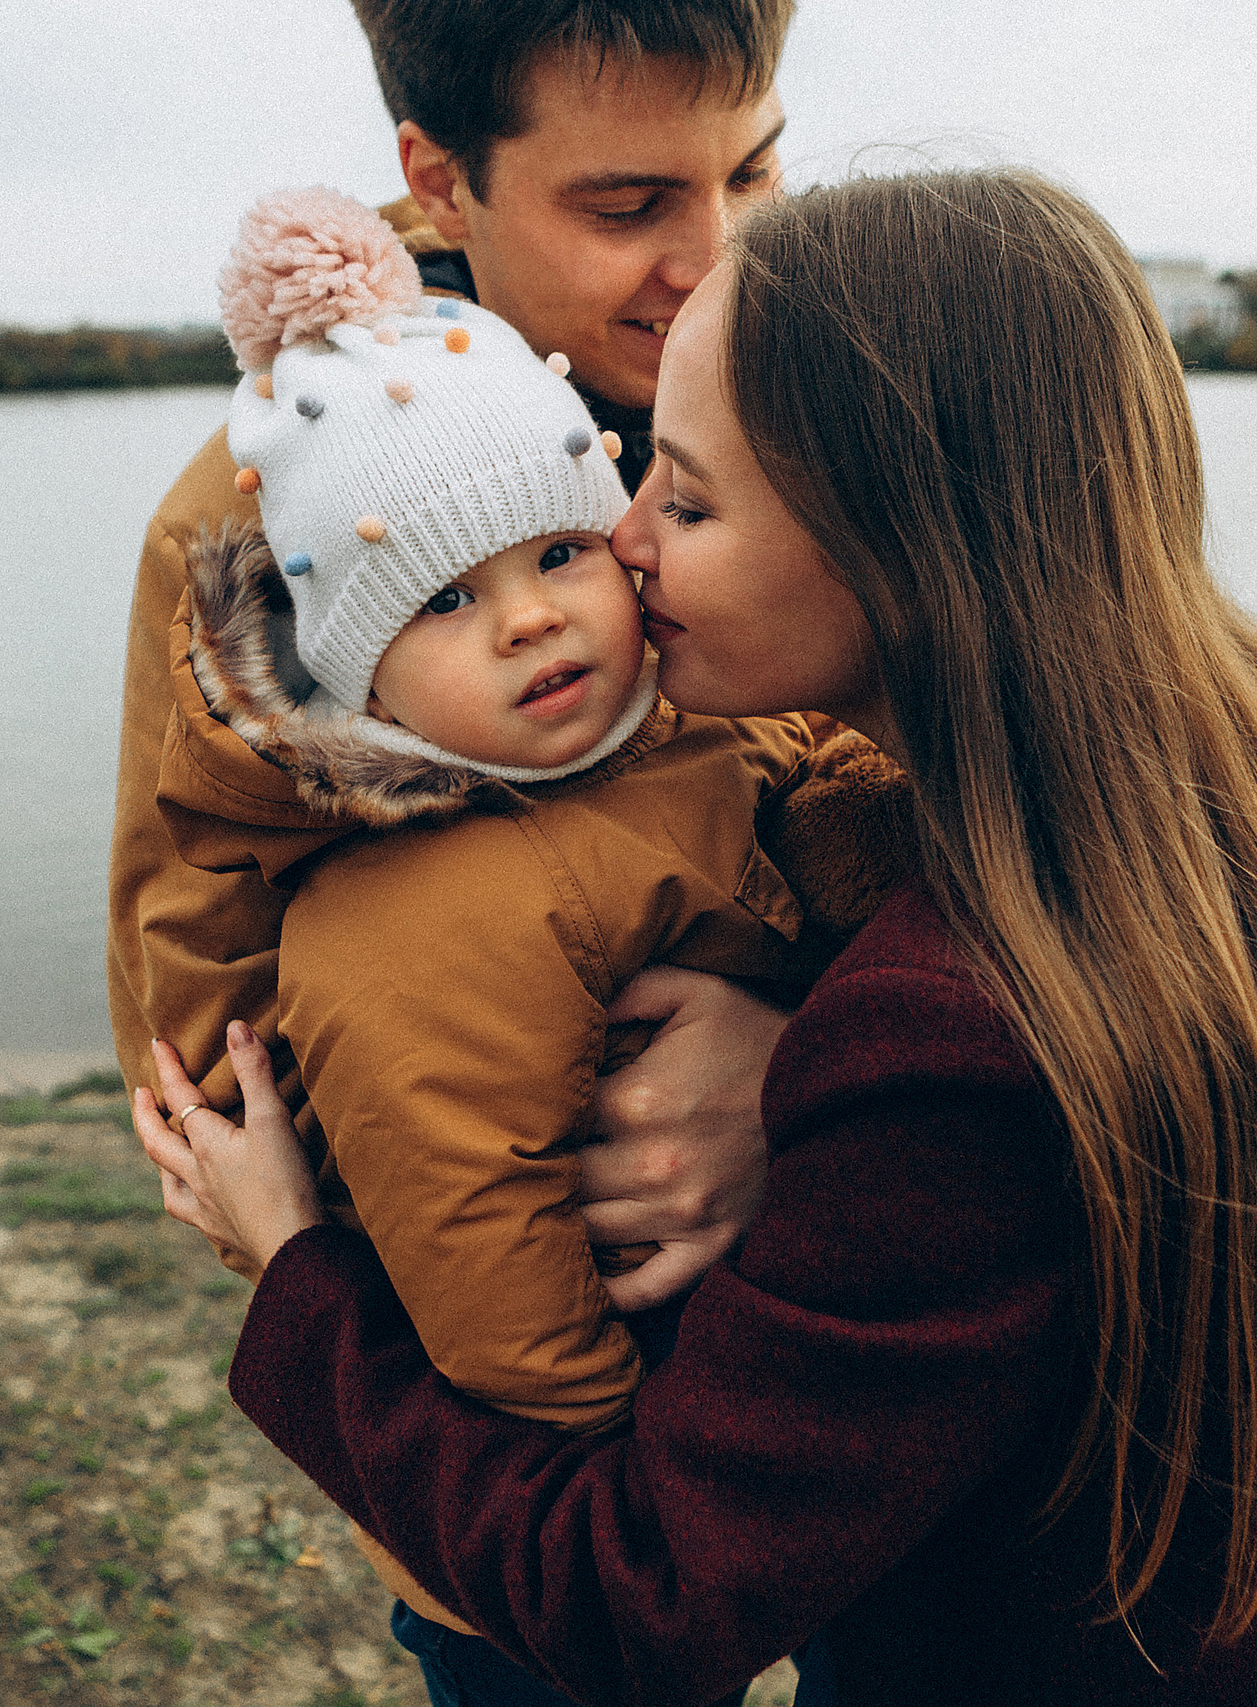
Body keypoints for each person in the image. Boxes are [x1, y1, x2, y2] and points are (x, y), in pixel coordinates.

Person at [135, 168, 1257, 1706]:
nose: (622, 541)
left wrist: (300, 1272)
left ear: (896, 540)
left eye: (684, 500)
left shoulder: (942, 1042)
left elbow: (646, 1604)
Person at [173, 183, 903, 1675]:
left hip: (767, 1407)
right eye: (446, 596)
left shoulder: (696, 726)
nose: (529, 620)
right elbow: (473, 1231)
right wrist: (600, 1453)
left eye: (559, 554)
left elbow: (839, 820)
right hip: (565, 1502)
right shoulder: (410, 921)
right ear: (363, 687)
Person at [105, 0, 801, 1315]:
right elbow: (213, 1082)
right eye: (625, 204)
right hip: (539, 1386)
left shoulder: (822, 372)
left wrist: (811, 1065)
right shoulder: (254, 531)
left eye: (754, 170)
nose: (717, 260)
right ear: (441, 182)